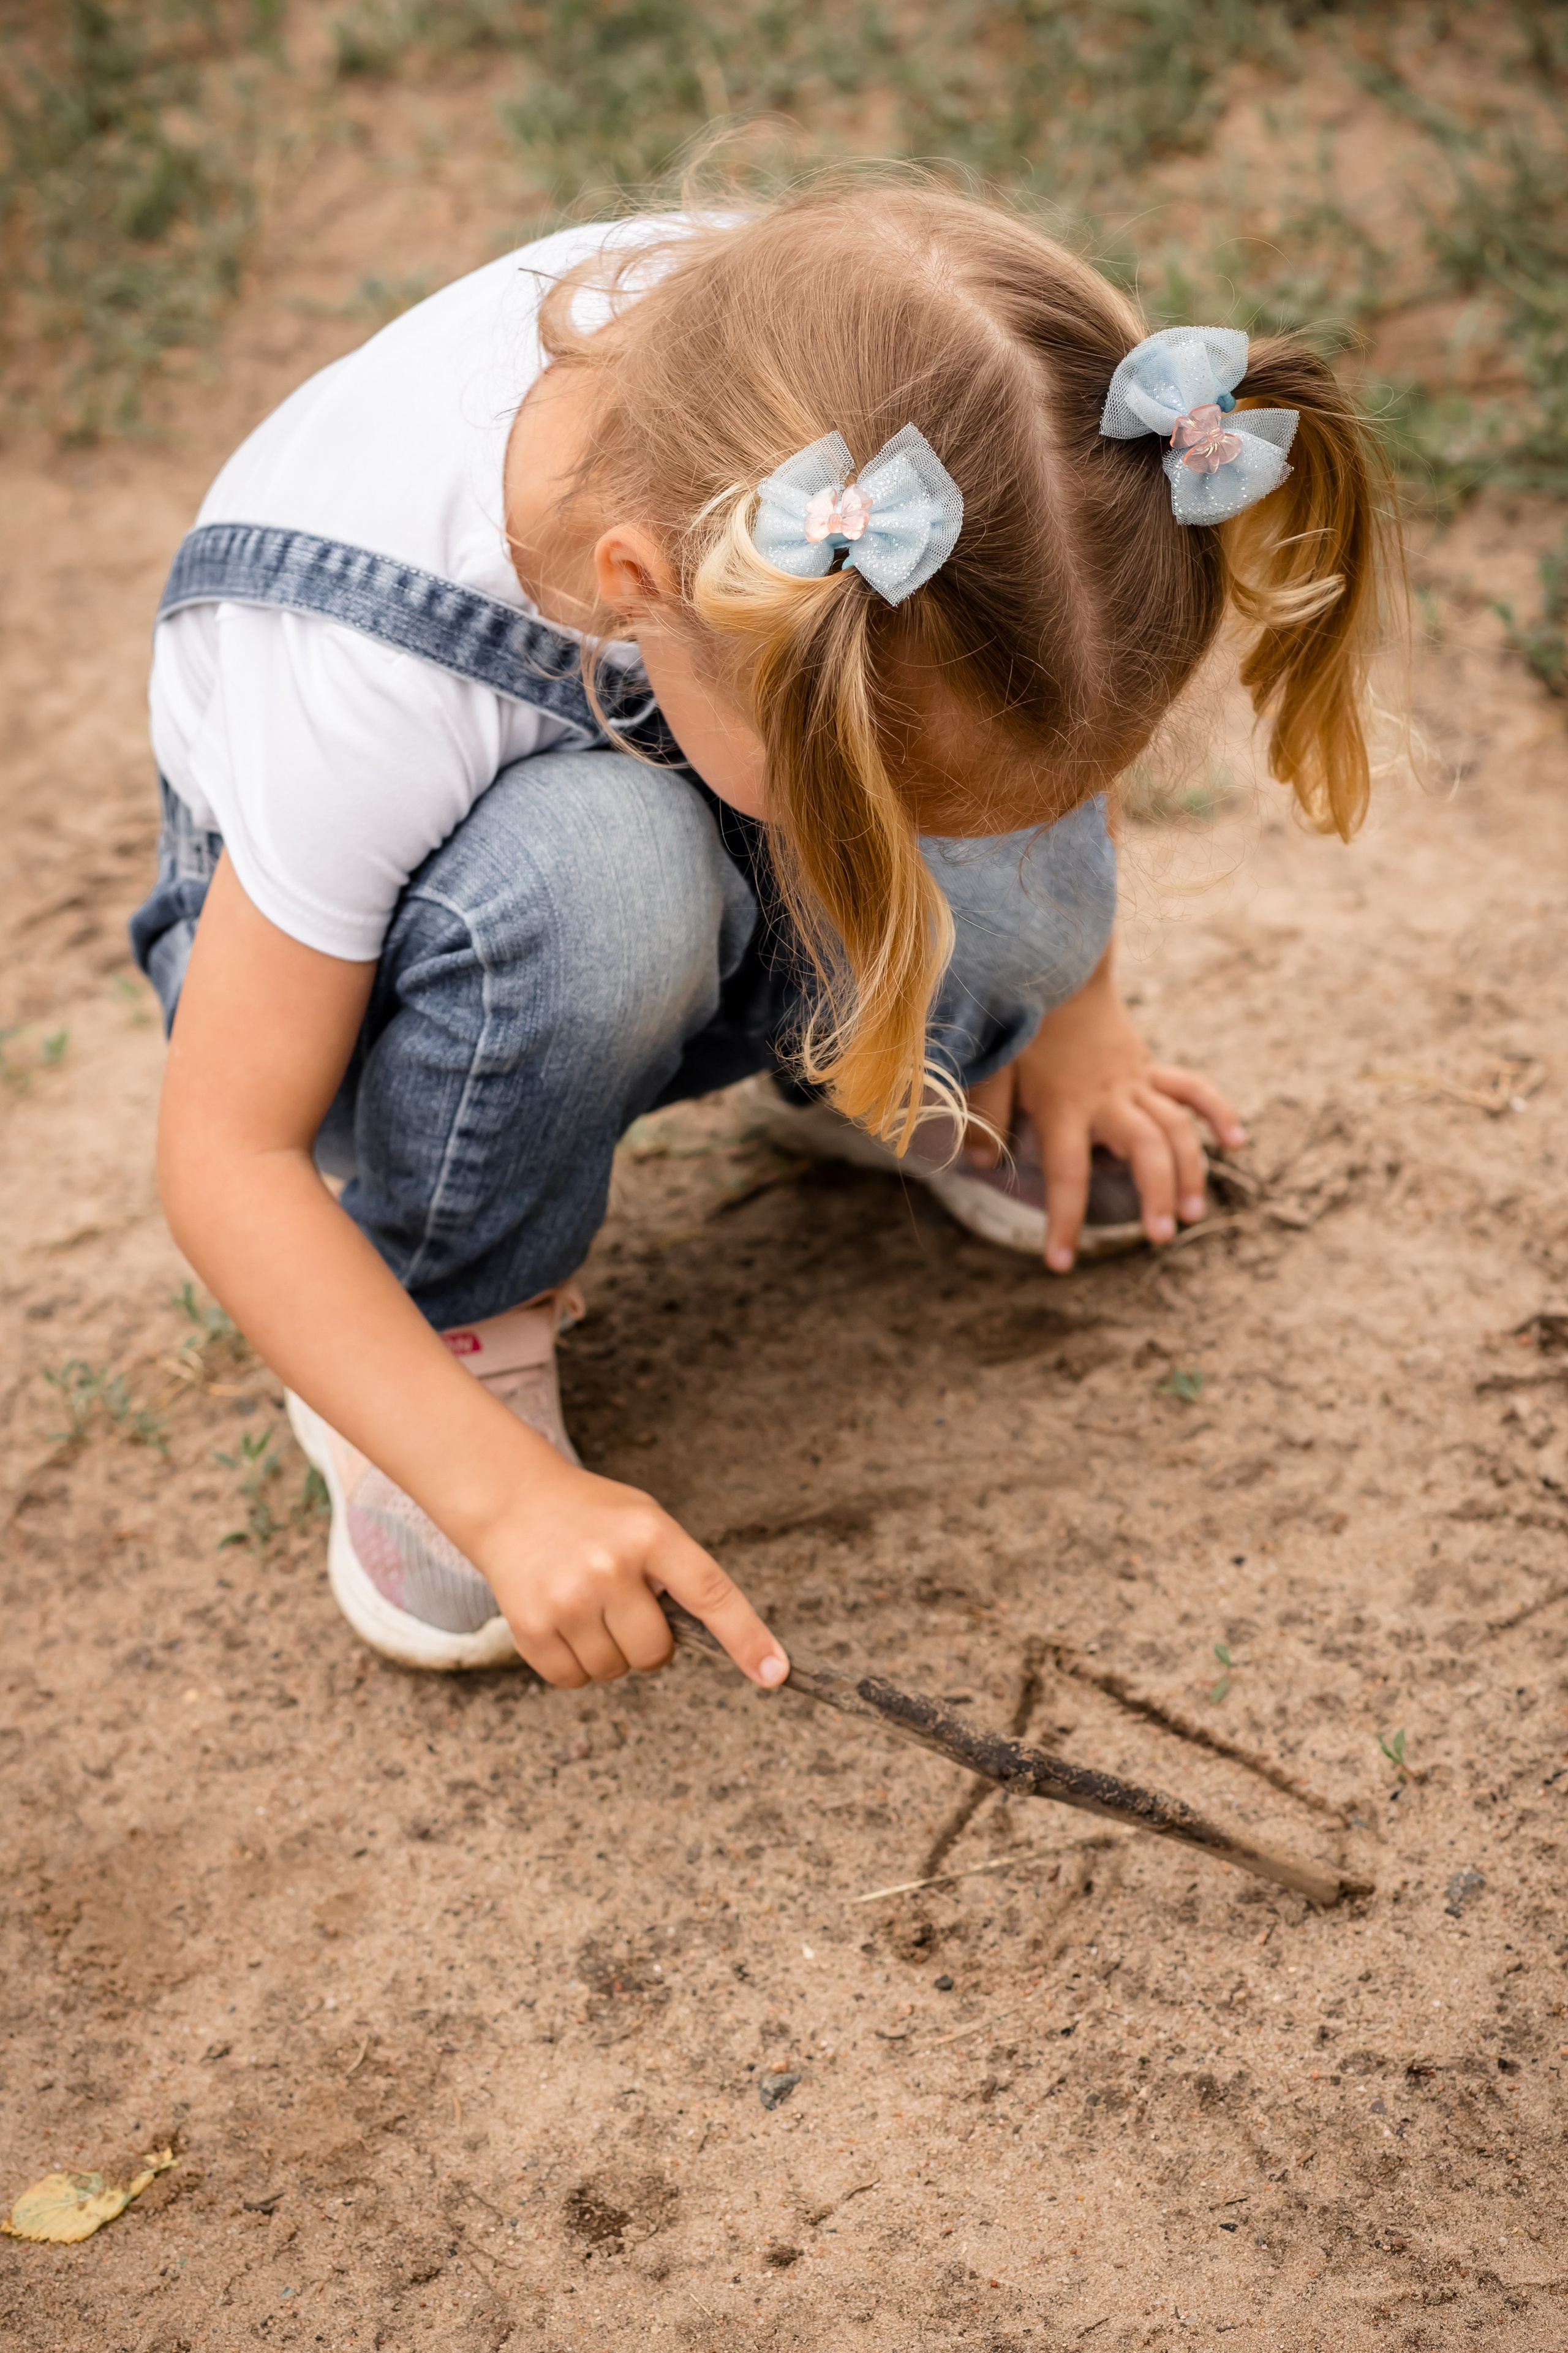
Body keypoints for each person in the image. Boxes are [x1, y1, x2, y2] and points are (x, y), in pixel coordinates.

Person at [133, 175, 1395, 1694]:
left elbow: (1026, 703)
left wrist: (1074, 1016)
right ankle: (438, 1315)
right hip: (371, 983)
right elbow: (226, 1155)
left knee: (936, 791)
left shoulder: (890, 385)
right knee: (607, 873)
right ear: (638, 590)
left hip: (711, 740)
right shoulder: (349, 671)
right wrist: (499, 1494)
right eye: (871, 805)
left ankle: (900, 1070)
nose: (939, 841)